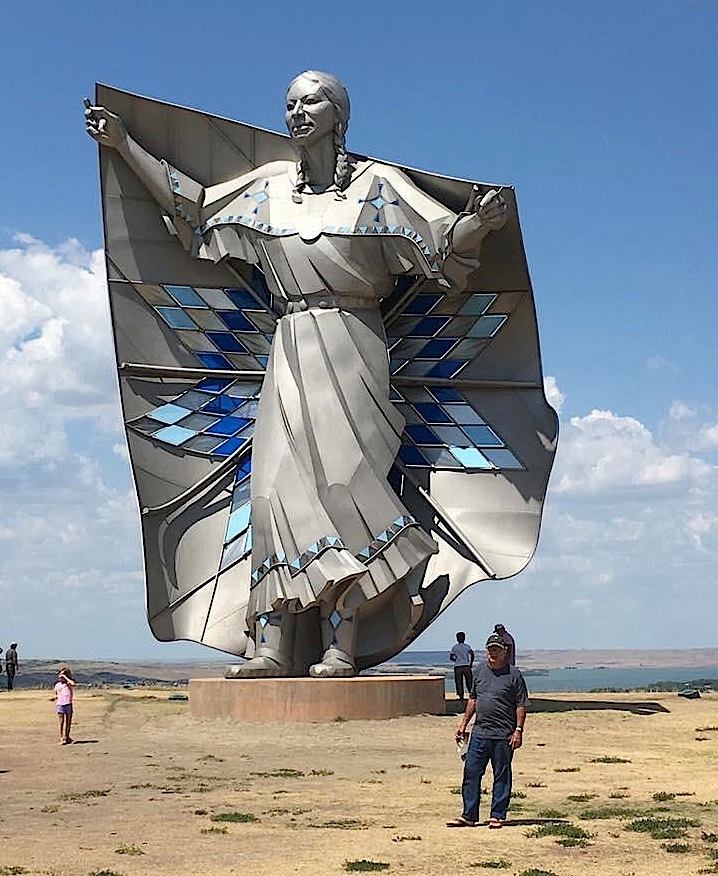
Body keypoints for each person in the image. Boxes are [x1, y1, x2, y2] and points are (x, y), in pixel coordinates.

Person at [85, 70, 507, 678]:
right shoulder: (269, 191)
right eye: (289, 103)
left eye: (311, 101)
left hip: (353, 344)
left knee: (343, 487)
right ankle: (273, 643)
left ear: (339, 115)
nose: (297, 112)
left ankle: (342, 643)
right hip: (288, 342)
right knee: (273, 490)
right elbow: (194, 207)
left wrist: (481, 222)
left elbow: (441, 247)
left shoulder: (377, 188)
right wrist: (125, 145)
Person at [447, 633, 528, 829]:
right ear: (486, 651)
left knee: (501, 775)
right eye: (490, 649)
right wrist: (463, 725)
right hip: (480, 733)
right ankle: (469, 815)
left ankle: (497, 815)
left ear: (505, 652)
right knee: (471, 773)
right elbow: (473, 699)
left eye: (497, 649)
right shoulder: (479, 672)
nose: (493, 653)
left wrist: (518, 730)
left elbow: (521, 705)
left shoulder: (514, 675)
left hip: (503, 735)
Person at [449, 632, 474, 703]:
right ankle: (471, 694)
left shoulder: (454, 647)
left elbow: (451, 657)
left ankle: (461, 696)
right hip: (466, 665)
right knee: (469, 681)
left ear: (457, 639)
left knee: (458, 681)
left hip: (458, 666)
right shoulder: (467, 646)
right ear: (464, 638)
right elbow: (472, 654)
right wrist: (471, 663)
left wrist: (456, 660)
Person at [53, 666, 76, 744]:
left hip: (68, 704)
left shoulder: (68, 684)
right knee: (61, 722)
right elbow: (56, 694)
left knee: (68, 722)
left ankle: (67, 736)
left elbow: (73, 684)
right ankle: (61, 737)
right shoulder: (57, 685)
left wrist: (65, 678)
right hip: (60, 704)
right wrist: (54, 698)